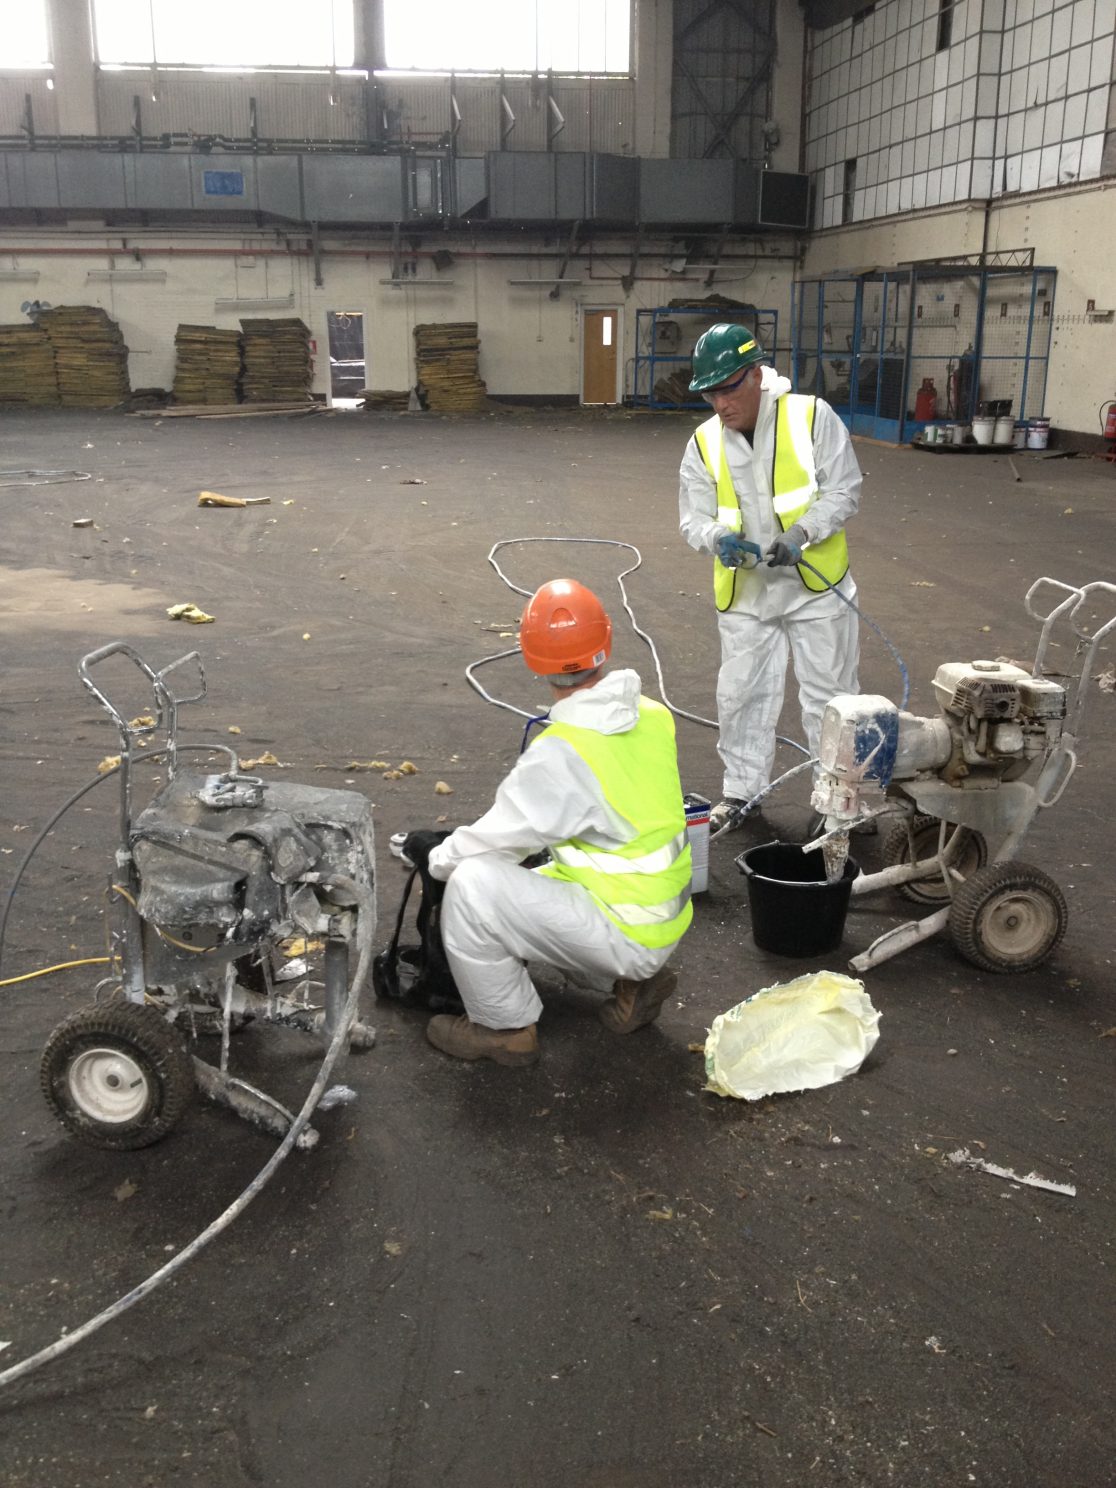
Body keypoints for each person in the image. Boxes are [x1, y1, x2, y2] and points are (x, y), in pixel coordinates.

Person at [403, 578, 693, 1068]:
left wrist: (436, 859)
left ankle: (505, 1031)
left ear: (532, 658)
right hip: (658, 914)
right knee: (524, 882)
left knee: (473, 888)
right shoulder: (650, 714)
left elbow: (492, 847)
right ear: (606, 643)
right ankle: (635, 985)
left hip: (627, 928)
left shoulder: (564, 753)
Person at [677, 324, 863, 833]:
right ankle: (742, 792)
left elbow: (844, 490)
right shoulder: (704, 442)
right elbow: (692, 517)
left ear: (757, 374)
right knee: (740, 696)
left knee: (831, 700)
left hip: (814, 587)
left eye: (729, 387)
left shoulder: (810, 417)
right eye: (710, 393)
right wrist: (719, 539)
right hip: (747, 593)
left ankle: (840, 803)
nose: (719, 403)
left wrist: (803, 531)